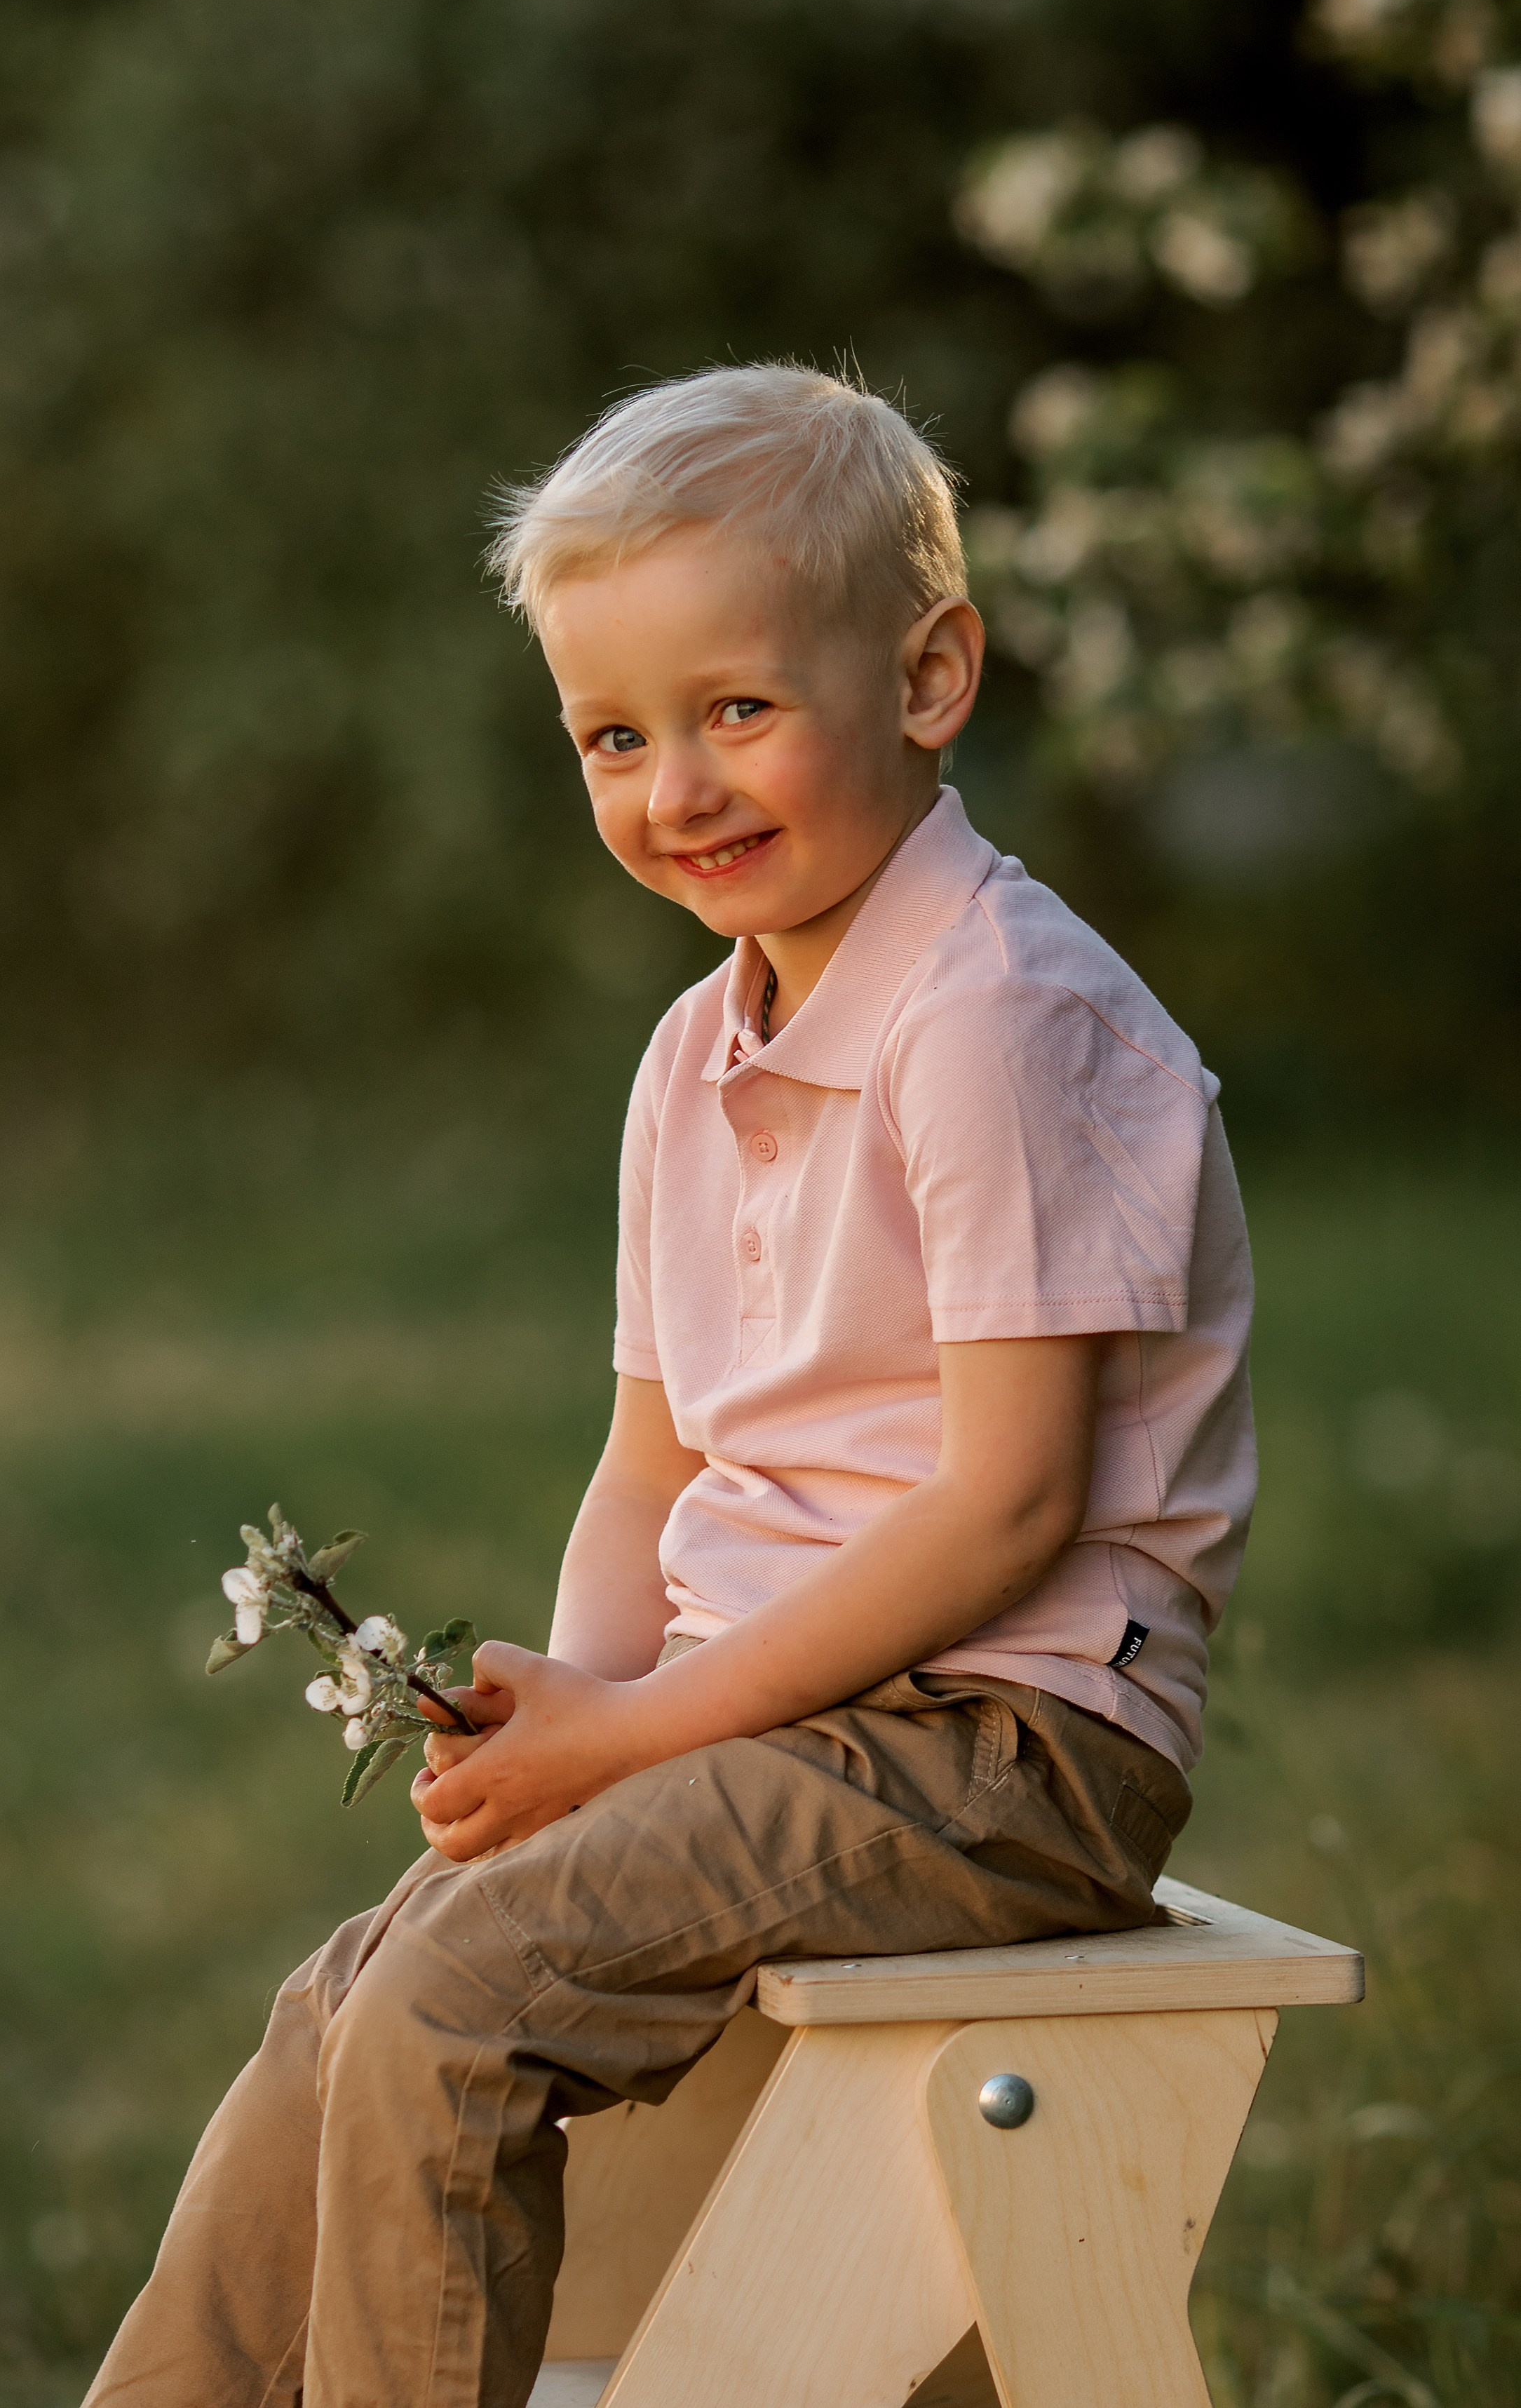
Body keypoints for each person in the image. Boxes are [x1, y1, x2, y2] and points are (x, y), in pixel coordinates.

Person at [85, 365, 1255, 2408]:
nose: (676, 789)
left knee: (454, 2005)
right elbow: (651, 1466)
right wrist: (572, 1710)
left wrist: (634, 1735)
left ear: (928, 677)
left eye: (737, 711)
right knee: (344, 2004)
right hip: (783, 1727)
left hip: (1012, 1743)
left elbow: (1008, 1507)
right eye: (614, 739)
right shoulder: (691, 1057)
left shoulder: (996, 1016)